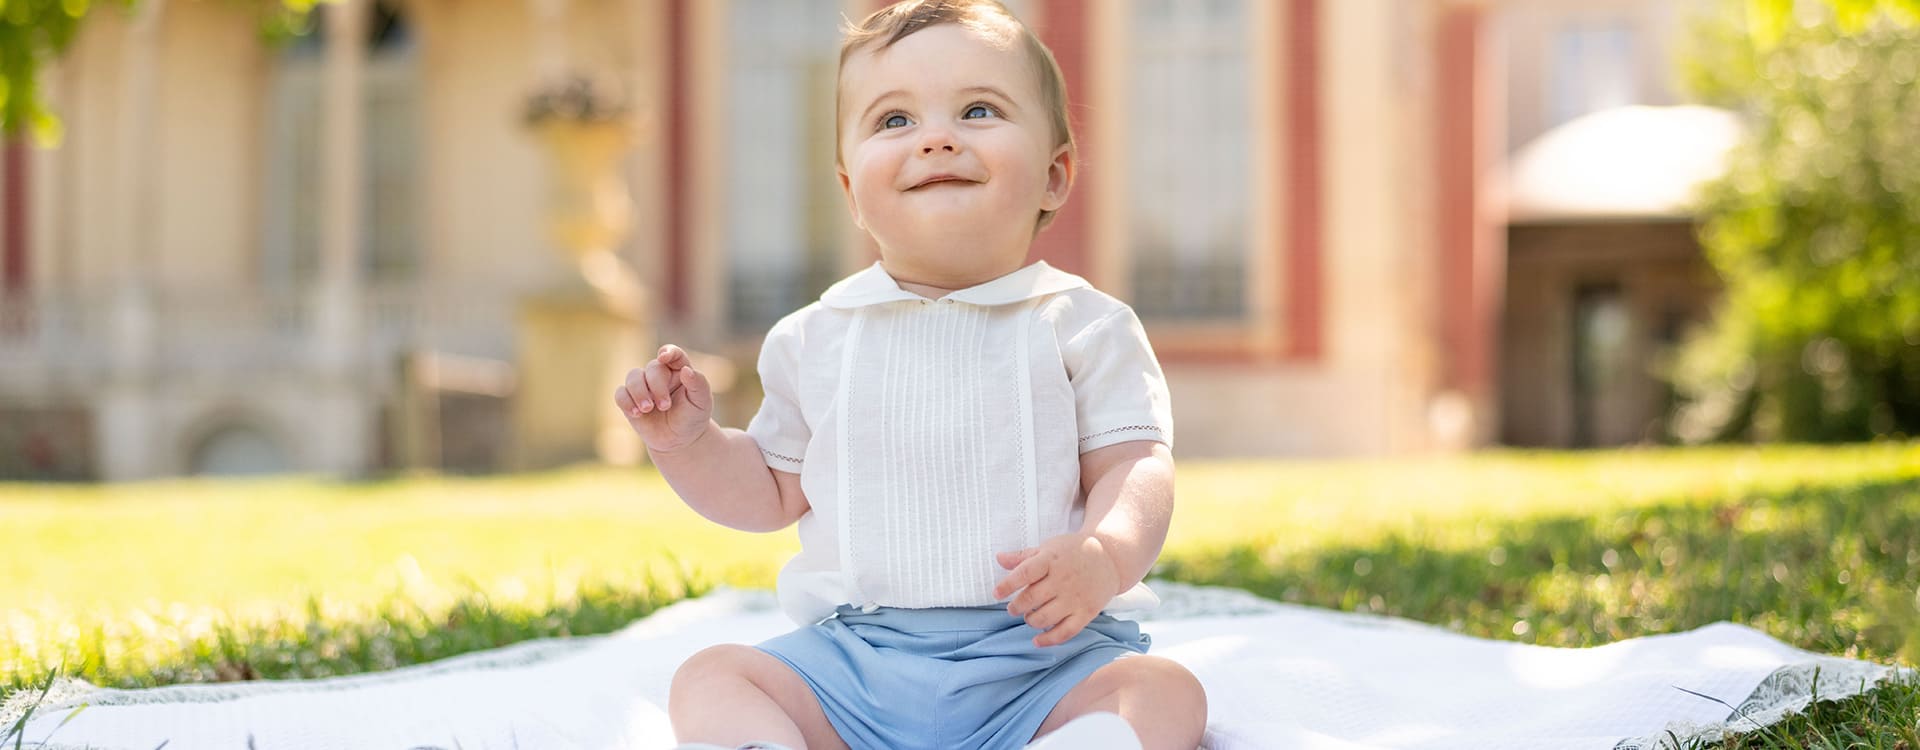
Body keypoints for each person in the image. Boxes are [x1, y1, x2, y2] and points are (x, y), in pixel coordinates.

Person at [615, 1, 1206, 748]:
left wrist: (1105, 553)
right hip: (859, 664)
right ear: (851, 193)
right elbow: (768, 492)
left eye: (979, 109)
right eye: (894, 121)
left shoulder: (1083, 324)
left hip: (1044, 659)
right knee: (712, 677)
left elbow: (1135, 465)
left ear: (1055, 175)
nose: (936, 139)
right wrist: (690, 443)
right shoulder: (815, 338)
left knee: (1161, 694)